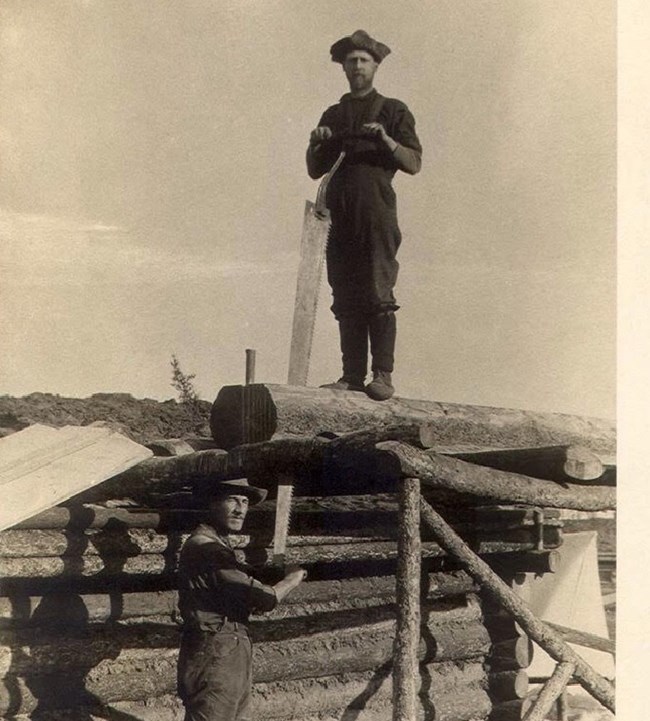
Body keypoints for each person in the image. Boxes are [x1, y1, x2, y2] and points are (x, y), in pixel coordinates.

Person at [307, 29, 422, 401]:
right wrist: (317, 140)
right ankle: (352, 376)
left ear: (375, 66)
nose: (356, 66)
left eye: (363, 60)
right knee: (344, 292)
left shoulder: (393, 110)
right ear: (343, 67)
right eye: (351, 60)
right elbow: (314, 168)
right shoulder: (334, 114)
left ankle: (382, 376)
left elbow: (414, 162)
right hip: (337, 212)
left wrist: (385, 139)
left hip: (375, 209)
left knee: (377, 290)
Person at [177, 477, 307, 721]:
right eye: (232, 500)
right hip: (215, 651)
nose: (240, 509)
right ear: (212, 503)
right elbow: (265, 598)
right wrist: (292, 579)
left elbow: (232, 594)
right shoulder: (207, 549)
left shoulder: (219, 548)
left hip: (229, 648)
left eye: (245, 501)